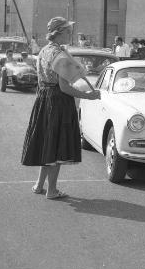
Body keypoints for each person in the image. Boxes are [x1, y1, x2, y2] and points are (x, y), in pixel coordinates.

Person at [21, 17, 101, 199]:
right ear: (58, 33)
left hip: (44, 99)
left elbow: (42, 81)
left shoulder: (45, 51)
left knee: (48, 144)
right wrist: (90, 96)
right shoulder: (60, 56)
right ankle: (52, 190)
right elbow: (65, 88)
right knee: (55, 147)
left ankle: (39, 185)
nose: (70, 33)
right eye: (67, 31)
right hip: (58, 102)